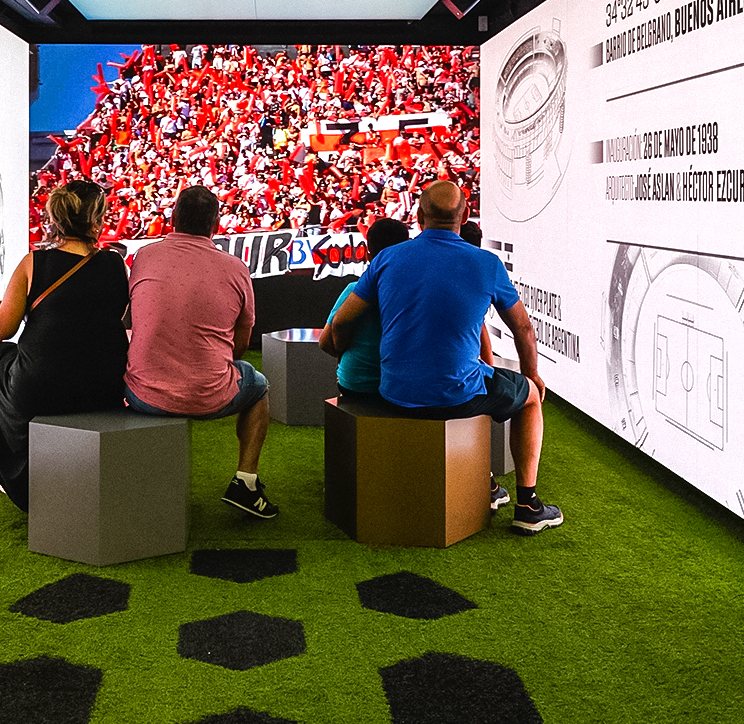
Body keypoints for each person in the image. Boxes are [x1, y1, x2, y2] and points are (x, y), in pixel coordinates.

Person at [325, 180, 563, 535]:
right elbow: (524, 330)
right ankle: (528, 505)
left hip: (394, 394)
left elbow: (342, 320)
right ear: (465, 215)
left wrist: (342, 348)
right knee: (529, 397)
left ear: (419, 218)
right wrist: (533, 375)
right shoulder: (487, 263)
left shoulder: (388, 258)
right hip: (458, 396)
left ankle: (488, 484)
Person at [124, 186, 278, 518]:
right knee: (259, 386)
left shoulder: (144, 256)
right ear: (216, 225)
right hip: (210, 394)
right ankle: (246, 482)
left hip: (141, 394)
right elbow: (241, 342)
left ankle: (132, 485)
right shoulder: (236, 268)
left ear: (172, 219)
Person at [0, 180, 129, 512]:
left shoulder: (34, 263)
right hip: (104, 387)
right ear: (95, 221)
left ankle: (13, 472)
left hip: (45, 388)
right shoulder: (116, 265)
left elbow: (2, 331)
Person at [319, 218, 411, 396]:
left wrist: (342, 353)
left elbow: (325, 341)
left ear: (368, 254)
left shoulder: (355, 289)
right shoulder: (416, 292)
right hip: (403, 385)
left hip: (356, 384)